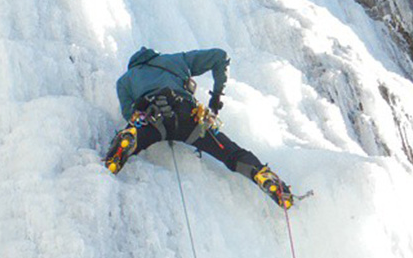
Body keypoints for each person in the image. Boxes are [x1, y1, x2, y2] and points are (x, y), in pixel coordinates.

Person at [103, 46, 294, 209]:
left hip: (154, 119)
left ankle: (128, 142)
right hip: (189, 117)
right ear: (154, 56)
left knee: (138, 129)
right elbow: (220, 56)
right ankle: (261, 175)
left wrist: (136, 118)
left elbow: (129, 113)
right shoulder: (175, 60)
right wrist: (217, 95)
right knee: (230, 153)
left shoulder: (125, 80)